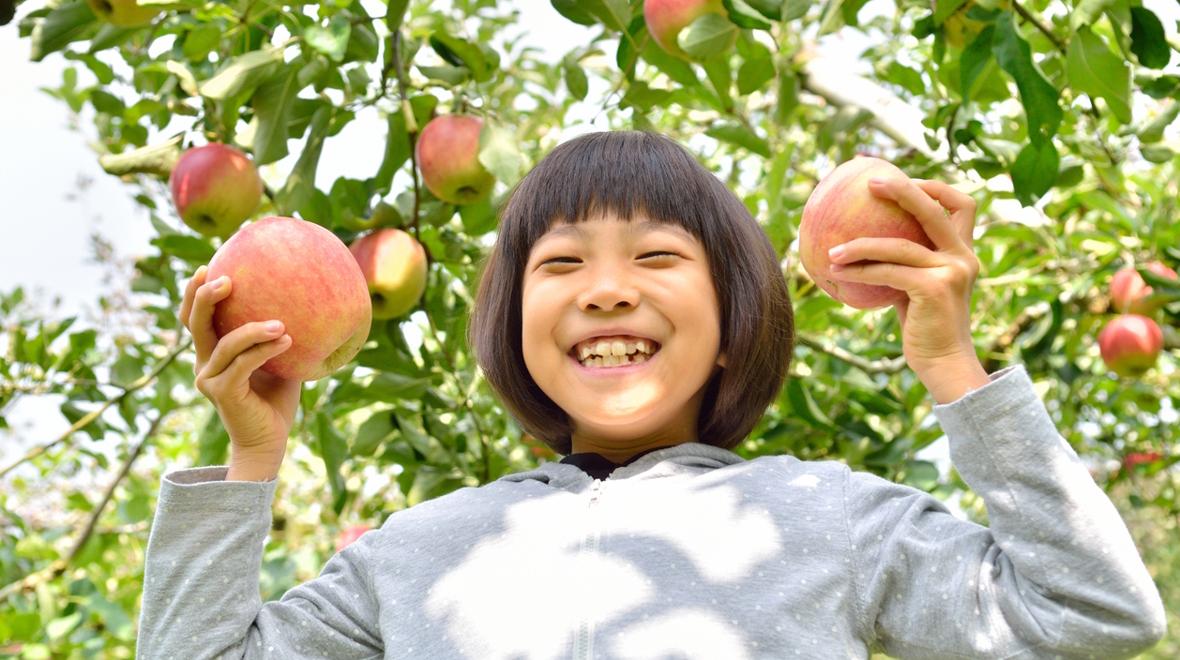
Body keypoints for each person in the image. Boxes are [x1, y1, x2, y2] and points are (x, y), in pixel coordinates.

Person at [136, 131, 1166, 659]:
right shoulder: (414, 551)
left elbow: (1089, 615)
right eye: (560, 262)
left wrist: (955, 372)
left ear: (734, 322)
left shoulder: (831, 518)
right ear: (511, 329)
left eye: (657, 255)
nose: (608, 286)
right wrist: (251, 460)